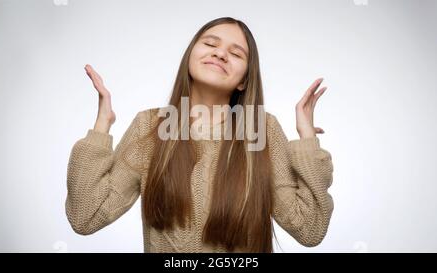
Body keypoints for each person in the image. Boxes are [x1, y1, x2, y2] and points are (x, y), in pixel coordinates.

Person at [65, 17, 334, 253]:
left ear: (243, 80)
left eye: (236, 53)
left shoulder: (261, 130)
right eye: (210, 44)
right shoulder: (150, 125)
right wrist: (101, 126)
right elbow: (86, 216)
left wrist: (307, 141)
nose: (220, 54)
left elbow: (310, 229)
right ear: (190, 56)